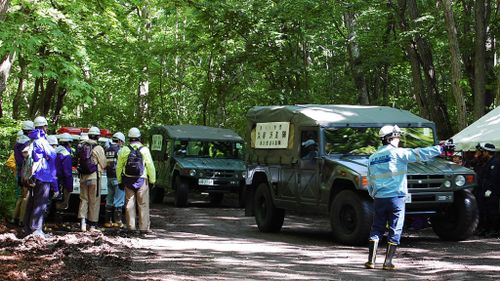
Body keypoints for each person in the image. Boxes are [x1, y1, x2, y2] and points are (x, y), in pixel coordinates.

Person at [365, 125, 444, 270]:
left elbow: (370, 181)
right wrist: (440, 149)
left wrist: (374, 195)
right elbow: (420, 154)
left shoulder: (372, 158)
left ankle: (371, 261)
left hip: (379, 198)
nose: (399, 139)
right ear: (390, 138)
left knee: (377, 228)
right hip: (396, 198)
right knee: (395, 228)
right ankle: (388, 263)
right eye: (397, 136)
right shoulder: (398, 153)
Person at [116, 127, 156, 234]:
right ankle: (144, 228)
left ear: (129, 138)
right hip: (142, 179)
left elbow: (119, 167)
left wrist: (119, 180)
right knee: (143, 204)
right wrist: (152, 180)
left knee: (129, 204)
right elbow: (150, 166)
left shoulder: (124, 149)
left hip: (128, 180)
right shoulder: (145, 149)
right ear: (139, 137)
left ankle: (131, 227)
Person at [23, 116, 56, 238]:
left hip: (33, 175)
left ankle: (27, 228)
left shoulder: (31, 140)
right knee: (40, 203)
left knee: (31, 202)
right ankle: (37, 230)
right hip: (43, 175)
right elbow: (52, 155)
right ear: (44, 127)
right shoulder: (41, 140)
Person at [76, 126, 107, 232]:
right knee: (94, 200)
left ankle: (82, 223)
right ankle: (92, 225)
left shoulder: (81, 145)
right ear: (98, 136)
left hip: (83, 177)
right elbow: (103, 163)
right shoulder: (98, 148)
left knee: (83, 199)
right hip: (94, 178)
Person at [475, 143, 500, 237]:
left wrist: (490, 189)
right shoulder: (487, 162)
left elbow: (494, 178)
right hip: (484, 190)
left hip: (492, 191)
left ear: (487, 152)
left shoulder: (495, 163)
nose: (483, 153)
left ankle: (495, 230)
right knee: (485, 211)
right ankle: (487, 229)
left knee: (493, 211)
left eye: (484, 152)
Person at [11, 123, 33, 226]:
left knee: (20, 196)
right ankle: (22, 220)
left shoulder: (17, 143)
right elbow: (27, 161)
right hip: (25, 172)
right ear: (29, 131)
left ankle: (14, 218)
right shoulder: (27, 143)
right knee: (26, 196)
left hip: (19, 172)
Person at [103, 132, 126, 228]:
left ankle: (108, 221)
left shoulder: (107, 150)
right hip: (118, 178)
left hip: (109, 177)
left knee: (109, 199)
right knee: (119, 200)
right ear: (120, 141)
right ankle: (118, 221)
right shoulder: (120, 150)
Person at [54, 133, 74, 211]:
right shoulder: (66, 155)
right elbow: (67, 173)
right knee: (62, 203)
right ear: (68, 143)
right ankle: (58, 220)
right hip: (63, 182)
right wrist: (69, 186)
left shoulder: (54, 152)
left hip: (53, 181)